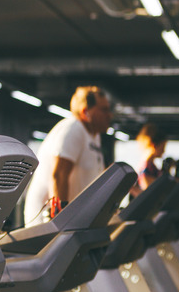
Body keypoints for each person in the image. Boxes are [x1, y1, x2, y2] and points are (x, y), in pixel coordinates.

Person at [23, 86, 112, 225]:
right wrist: (61, 219)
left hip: (76, 219)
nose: (109, 115)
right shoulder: (73, 129)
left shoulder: (95, 136)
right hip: (46, 222)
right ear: (85, 112)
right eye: (104, 110)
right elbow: (59, 175)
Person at [130, 123, 167, 197]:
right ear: (154, 145)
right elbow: (150, 194)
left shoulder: (150, 166)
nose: (163, 151)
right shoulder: (146, 168)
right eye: (162, 147)